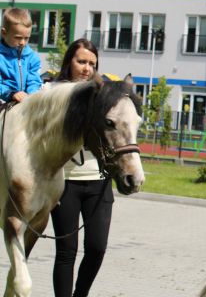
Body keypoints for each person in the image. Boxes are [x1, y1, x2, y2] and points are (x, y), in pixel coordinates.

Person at [50, 39, 114, 297]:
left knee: (97, 248)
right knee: (67, 251)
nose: (87, 68)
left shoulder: (103, 94)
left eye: (92, 63)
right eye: (81, 62)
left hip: (99, 181)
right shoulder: (53, 91)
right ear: (69, 62)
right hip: (65, 182)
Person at [0, 7, 42, 102]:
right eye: (18, 38)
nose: (22, 42)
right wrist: (11, 94)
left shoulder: (32, 57)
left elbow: (34, 81)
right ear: (4, 33)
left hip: (25, 102)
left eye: (26, 38)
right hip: (3, 101)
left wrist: (31, 95)